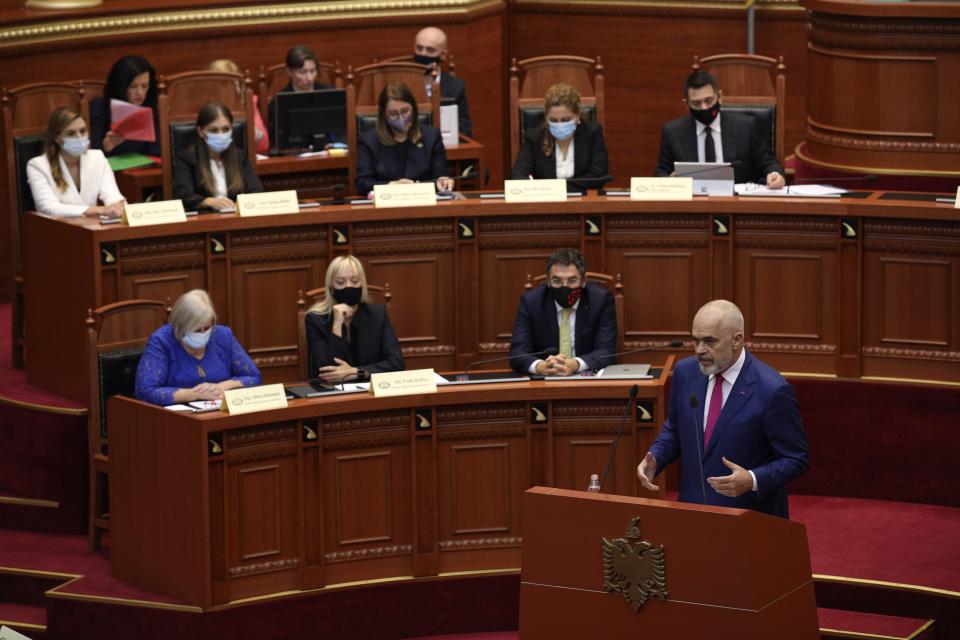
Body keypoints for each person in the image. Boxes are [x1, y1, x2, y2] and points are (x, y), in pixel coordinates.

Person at [636, 300, 809, 518]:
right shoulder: (685, 373)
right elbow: (675, 427)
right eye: (696, 340)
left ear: (737, 340)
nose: (700, 350)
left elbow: (796, 459)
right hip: (692, 512)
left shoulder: (772, 390)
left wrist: (753, 479)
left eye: (709, 341)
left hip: (748, 519)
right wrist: (657, 457)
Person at [655, 70, 785, 188]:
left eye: (709, 100)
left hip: (737, 204)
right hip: (692, 205)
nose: (704, 108)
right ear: (686, 105)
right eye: (696, 103)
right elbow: (661, 173)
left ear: (720, 97)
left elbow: (768, 163)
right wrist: (668, 181)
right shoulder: (673, 132)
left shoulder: (746, 127)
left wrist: (775, 175)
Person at [135, 289, 261, 406]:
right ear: (180, 326)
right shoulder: (161, 342)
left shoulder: (222, 336)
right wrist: (195, 394)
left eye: (207, 328)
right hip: (177, 418)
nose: (203, 334)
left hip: (219, 412)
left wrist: (223, 386)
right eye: (196, 330)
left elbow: (254, 377)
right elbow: (145, 391)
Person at [508, 248, 617, 377]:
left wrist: (576, 364)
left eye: (572, 280)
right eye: (557, 281)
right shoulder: (532, 302)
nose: (564, 286)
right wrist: (540, 366)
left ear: (583, 282)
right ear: (548, 281)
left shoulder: (600, 300)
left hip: (587, 377)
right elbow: (517, 352)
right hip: (545, 380)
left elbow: (606, 350)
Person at [304, 255, 404, 384]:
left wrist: (356, 372)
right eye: (340, 282)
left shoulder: (377, 315)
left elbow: (397, 363)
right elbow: (327, 371)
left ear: (362, 284)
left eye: (355, 281)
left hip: (370, 392)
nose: (349, 287)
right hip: (332, 396)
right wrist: (337, 324)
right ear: (331, 287)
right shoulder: (315, 319)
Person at [356, 81, 453, 197]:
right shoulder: (369, 141)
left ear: (414, 109)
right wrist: (390, 185)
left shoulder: (431, 136)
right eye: (393, 113)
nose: (401, 118)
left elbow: (440, 174)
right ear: (384, 115)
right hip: (386, 205)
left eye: (405, 111)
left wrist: (443, 181)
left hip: (423, 204)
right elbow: (363, 183)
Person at [27, 106, 126, 218]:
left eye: (83, 131)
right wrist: (99, 210)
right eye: (71, 133)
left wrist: (118, 207)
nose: (79, 137)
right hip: (58, 230)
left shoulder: (97, 157)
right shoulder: (38, 165)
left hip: (91, 229)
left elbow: (113, 196)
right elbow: (49, 208)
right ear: (57, 138)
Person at [510, 82, 609, 192]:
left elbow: (597, 176)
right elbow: (519, 176)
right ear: (546, 117)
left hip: (584, 202)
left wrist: (552, 189)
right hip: (545, 204)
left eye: (566, 120)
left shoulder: (592, 133)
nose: (559, 124)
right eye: (553, 120)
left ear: (577, 115)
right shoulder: (534, 138)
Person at [172, 101, 263, 211]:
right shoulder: (186, 158)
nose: (221, 135)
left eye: (226, 129)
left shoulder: (240, 156)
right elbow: (183, 195)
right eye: (213, 130)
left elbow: (256, 191)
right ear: (200, 131)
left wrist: (241, 203)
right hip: (203, 221)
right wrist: (206, 202)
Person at [89, 55, 161, 157]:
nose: (140, 93)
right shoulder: (99, 108)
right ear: (120, 86)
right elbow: (91, 154)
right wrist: (105, 147)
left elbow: (157, 151)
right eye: (133, 86)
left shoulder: (150, 106)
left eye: (144, 86)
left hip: (142, 170)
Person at [413, 26, 472, 138]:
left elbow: (464, 131)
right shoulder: (402, 81)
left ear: (443, 55)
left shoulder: (456, 87)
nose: (423, 54)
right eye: (419, 48)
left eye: (430, 50)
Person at [266, 45, 335, 137]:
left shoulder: (330, 93)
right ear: (289, 72)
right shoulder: (278, 102)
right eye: (302, 72)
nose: (309, 78)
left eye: (313, 71)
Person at [208, 59, 270, 154]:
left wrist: (242, 111)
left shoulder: (249, 102)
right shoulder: (206, 106)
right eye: (225, 85)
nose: (234, 89)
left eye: (236, 83)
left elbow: (263, 144)